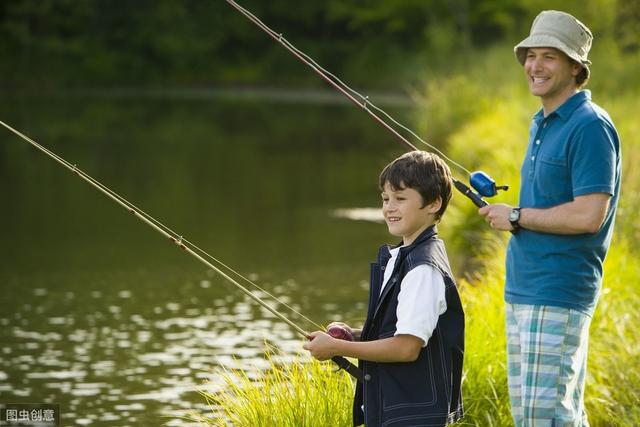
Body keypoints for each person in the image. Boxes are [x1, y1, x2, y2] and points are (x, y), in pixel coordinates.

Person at [478, 10, 621, 426]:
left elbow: (590, 215)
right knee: (535, 417)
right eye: (530, 55)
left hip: (558, 290)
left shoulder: (589, 126)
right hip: (523, 288)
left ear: (576, 67)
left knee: (547, 417)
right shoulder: (541, 122)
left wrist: (517, 216)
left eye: (549, 57)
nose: (534, 66)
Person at [303, 151, 464, 426]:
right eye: (385, 199)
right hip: (396, 408)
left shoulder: (422, 269)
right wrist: (354, 336)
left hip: (413, 415)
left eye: (400, 199)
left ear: (434, 203)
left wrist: (337, 347)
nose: (389, 207)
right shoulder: (404, 255)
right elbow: (398, 330)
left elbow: (406, 348)